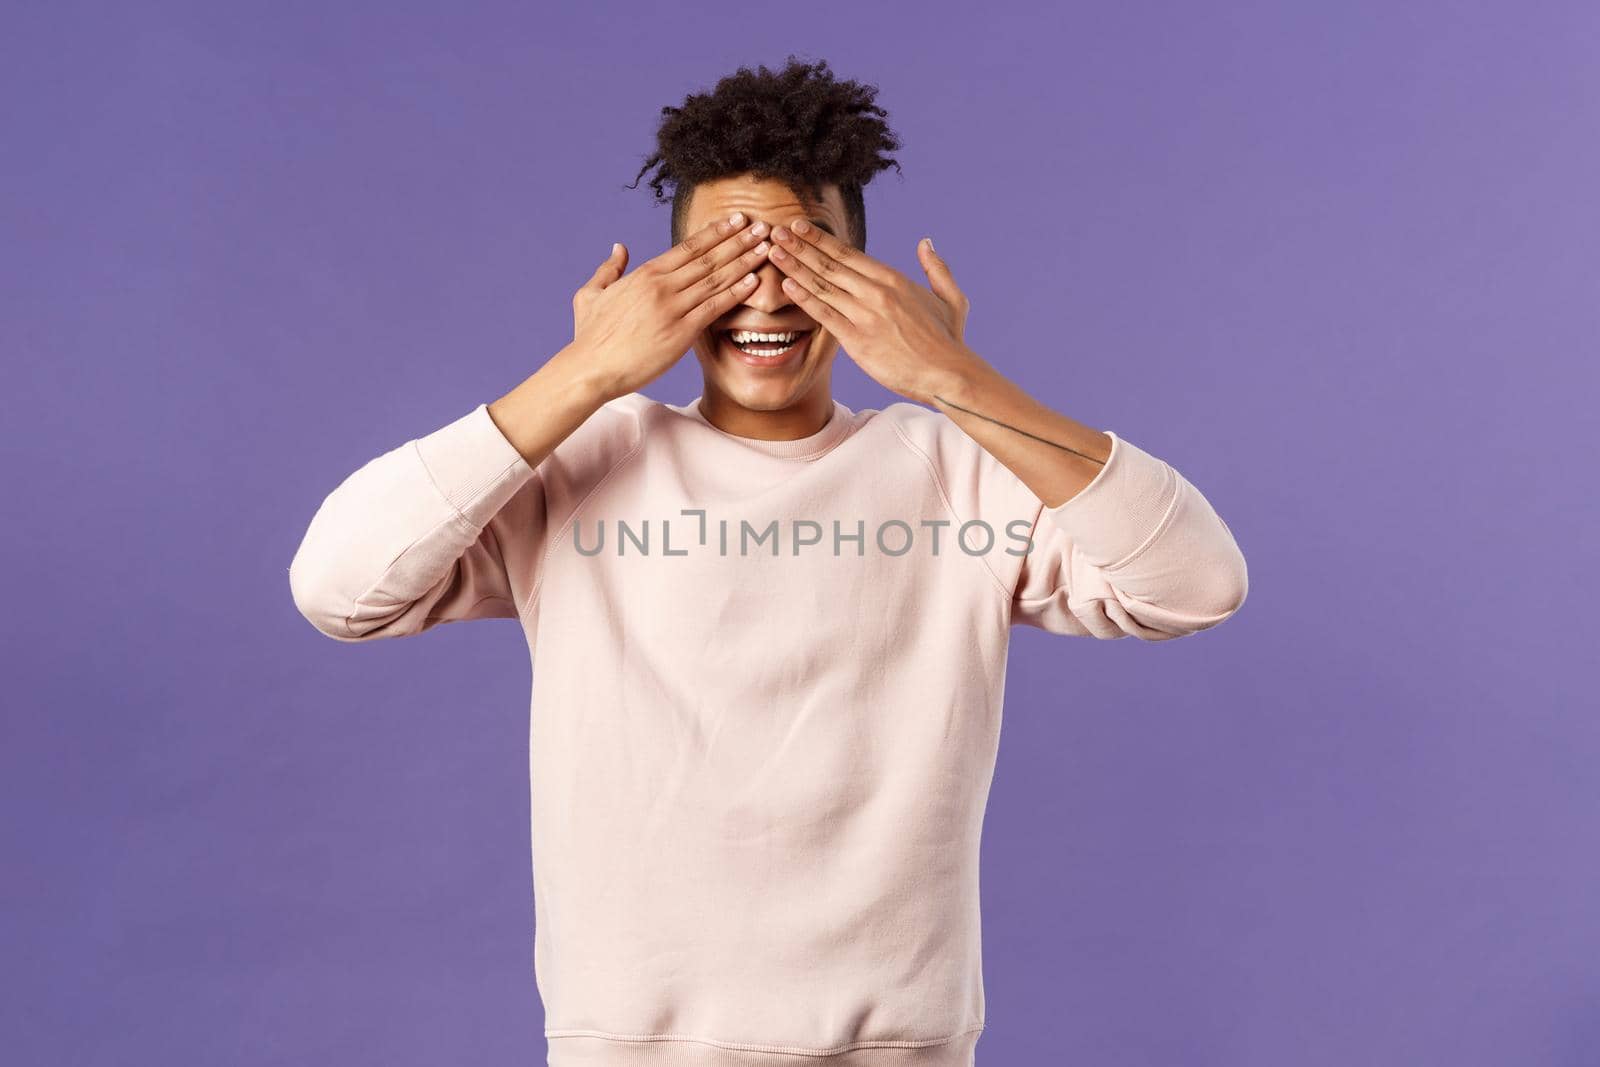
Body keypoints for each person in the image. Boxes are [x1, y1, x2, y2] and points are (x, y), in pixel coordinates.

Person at [289, 56, 1248, 1067]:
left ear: (869, 284)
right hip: (626, 1043)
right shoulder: (580, 461)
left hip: (898, 1043)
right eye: (719, 259)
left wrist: (953, 378)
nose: (765, 294)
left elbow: (1195, 582)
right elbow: (340, 588)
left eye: (805, 257)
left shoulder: (961, 474)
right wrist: (583, 374)